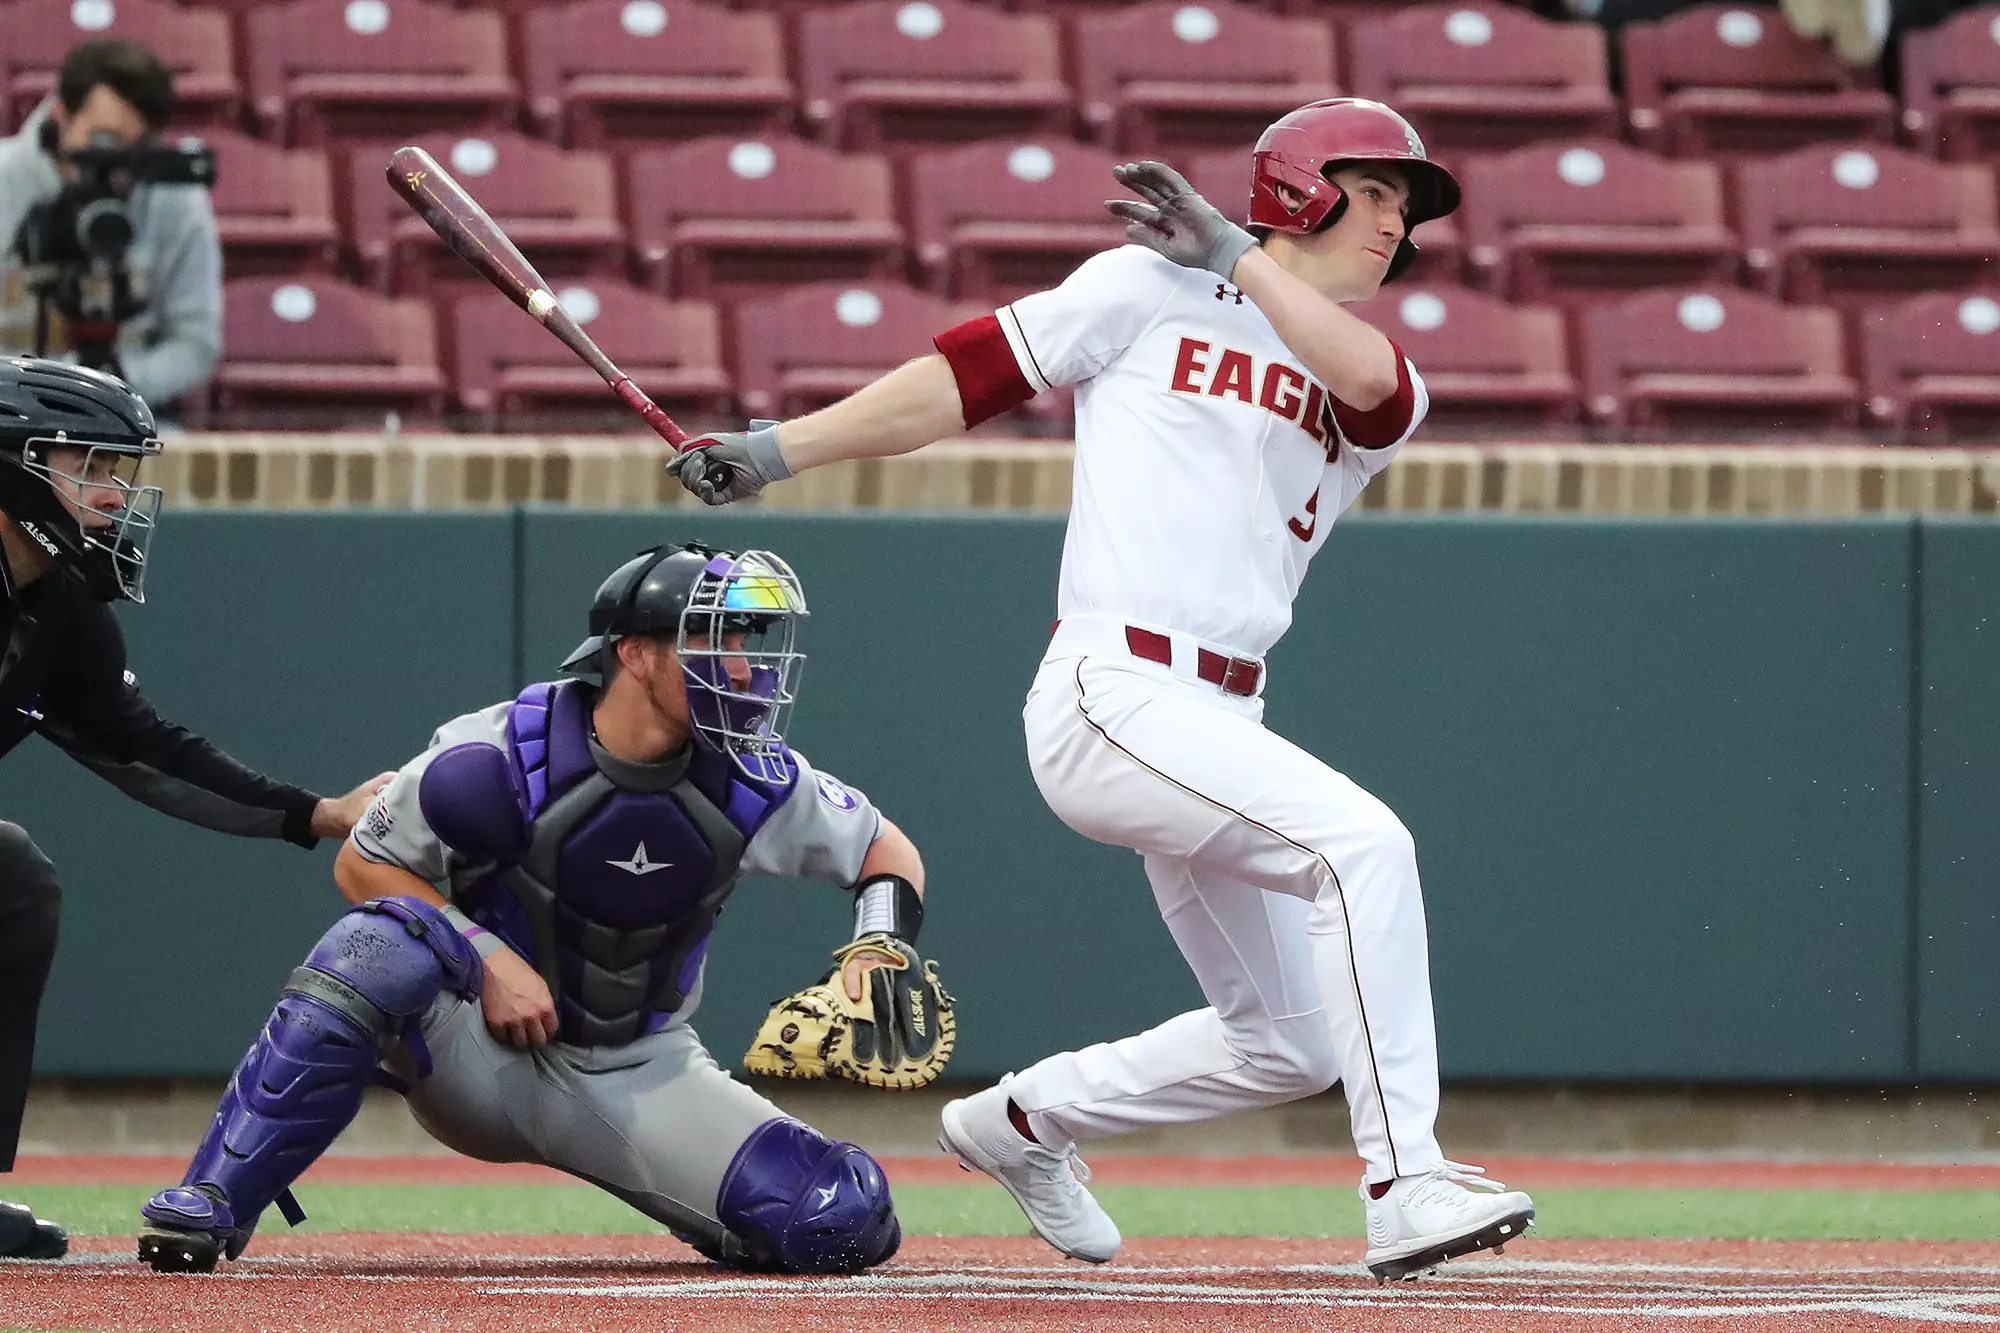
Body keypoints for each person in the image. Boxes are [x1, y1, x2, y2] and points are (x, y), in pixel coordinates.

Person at [664, 97, 1537, 1282]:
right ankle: (1403, 1184)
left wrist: (1233, 255)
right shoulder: (1137, 288)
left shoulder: (1370, 373)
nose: (1393, 220)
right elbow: (954, 382)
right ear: (1300, 185)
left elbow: (1372, 385)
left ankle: (1018, 1121)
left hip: (1219, 714)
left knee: (1286, 1041)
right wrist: (773, 451)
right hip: (1114, 688)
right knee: (1362, 846)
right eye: (1374, 190)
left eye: (1402, 204)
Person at [138, 542, 951, 1276]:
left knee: (843, 1216)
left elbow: (888, 851)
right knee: (373, 947)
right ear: (634, 653)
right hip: (474, 1051)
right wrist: (486, 956)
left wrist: (878, 945)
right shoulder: (494, 755)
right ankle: (212, 1197)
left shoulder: (756, 773)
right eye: (714, 637)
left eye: (743, 639)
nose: (740, 663)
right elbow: (363, 864)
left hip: (638, 1064)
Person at [0, 356, 386, 1259]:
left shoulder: (59, 612)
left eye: (115, 472)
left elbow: (146, 750)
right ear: (12, 462)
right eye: (85, 467)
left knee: (12, 878)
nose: (108, 494)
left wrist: (315, 812)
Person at [0, 39, 222, 408]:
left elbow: (196, 344)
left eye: (135, 148)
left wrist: (104, 392)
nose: (116, 167)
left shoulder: (176, 198)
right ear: (59, 118)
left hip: (126, 415)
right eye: (103, 141)